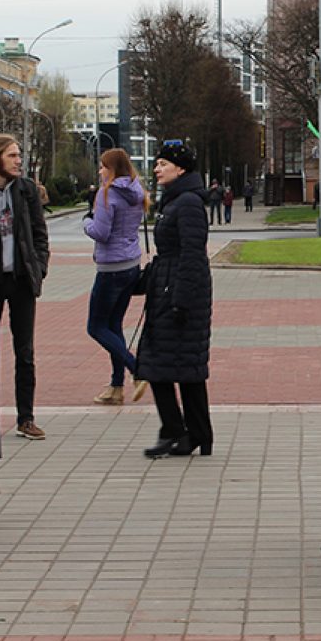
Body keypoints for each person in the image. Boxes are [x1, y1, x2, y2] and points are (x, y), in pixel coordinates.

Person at [137, 142, 213, 458]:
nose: (157, 169)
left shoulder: (188, 204)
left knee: (161, 366)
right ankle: (195, 434)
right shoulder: (176, 201)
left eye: (163, 164)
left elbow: (193, 254)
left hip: (180, 293)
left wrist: (180, 298)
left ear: (180, 169)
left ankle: (176, 431)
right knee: (182, 367)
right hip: (169, 287)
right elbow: (169, 255)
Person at [0, 134, 50, 441]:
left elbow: (39, 234)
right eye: (12, 155)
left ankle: (26, 418)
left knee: (25, 351)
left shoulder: (25, 190)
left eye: (19, 155)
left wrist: (38, 268)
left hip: (20, 279)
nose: (19, 160)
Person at [84, 148, 149, 406]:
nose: (100, 171)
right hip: (131, 265)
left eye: (102, 167)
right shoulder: (136, 192)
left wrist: (85, 222)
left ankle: (136, 368)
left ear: (112, 169)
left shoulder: (107, 193)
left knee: (96, 326)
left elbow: (101, 232)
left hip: (110, 268)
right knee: (113, 326)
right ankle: (116, 386)